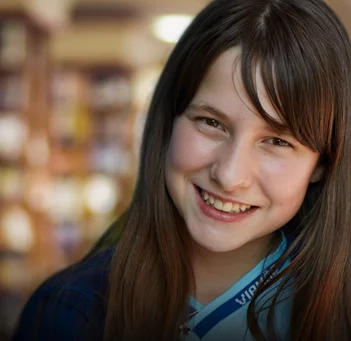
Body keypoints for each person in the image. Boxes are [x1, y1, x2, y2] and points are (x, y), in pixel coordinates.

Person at [12, 0, 351, 340]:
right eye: (211, 122)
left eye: (277, 141)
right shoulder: (68, 311)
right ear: (168, 121)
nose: (230, 176)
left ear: (321, 164)